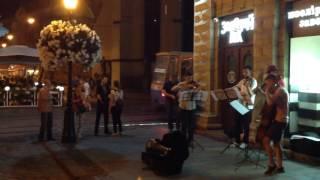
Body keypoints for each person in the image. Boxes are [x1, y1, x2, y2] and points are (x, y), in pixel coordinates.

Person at [262, 74, 289, 175]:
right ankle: (280, 166)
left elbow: (270, 103)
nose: (267, 84)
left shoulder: (280, 90)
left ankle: (272, 164)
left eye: (267, 82)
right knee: (277, 144)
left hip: (280, 121)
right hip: (281, 120)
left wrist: (266, 92)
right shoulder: (280, 90)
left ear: (273, 81)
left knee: (266, 140)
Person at [171, 72, 200, 145]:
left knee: (191, 126)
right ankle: (183, 140)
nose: (189, 78)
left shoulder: (195, 84)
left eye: (191, 77)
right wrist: (181, 87)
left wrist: (196, 89)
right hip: (183, 107)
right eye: (188, 77)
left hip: (192, 107)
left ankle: (190, 140)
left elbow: (199, 89)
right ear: (185, 77)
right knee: (184, 125)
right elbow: (173, 89)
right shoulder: (182, 83)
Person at [233, 65, 257, 149]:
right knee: (237, 123)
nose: (244, 74)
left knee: (246, 124)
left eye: (246, 72)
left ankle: (245, 142)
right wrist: (237, 90)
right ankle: (237, 141)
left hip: (248, 105)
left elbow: (252, 93)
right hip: (240, 104)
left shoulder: (254, 81)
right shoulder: (242, 81)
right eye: (243, 72)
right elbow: (235, 87)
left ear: (251, 72)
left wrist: (247, 86)